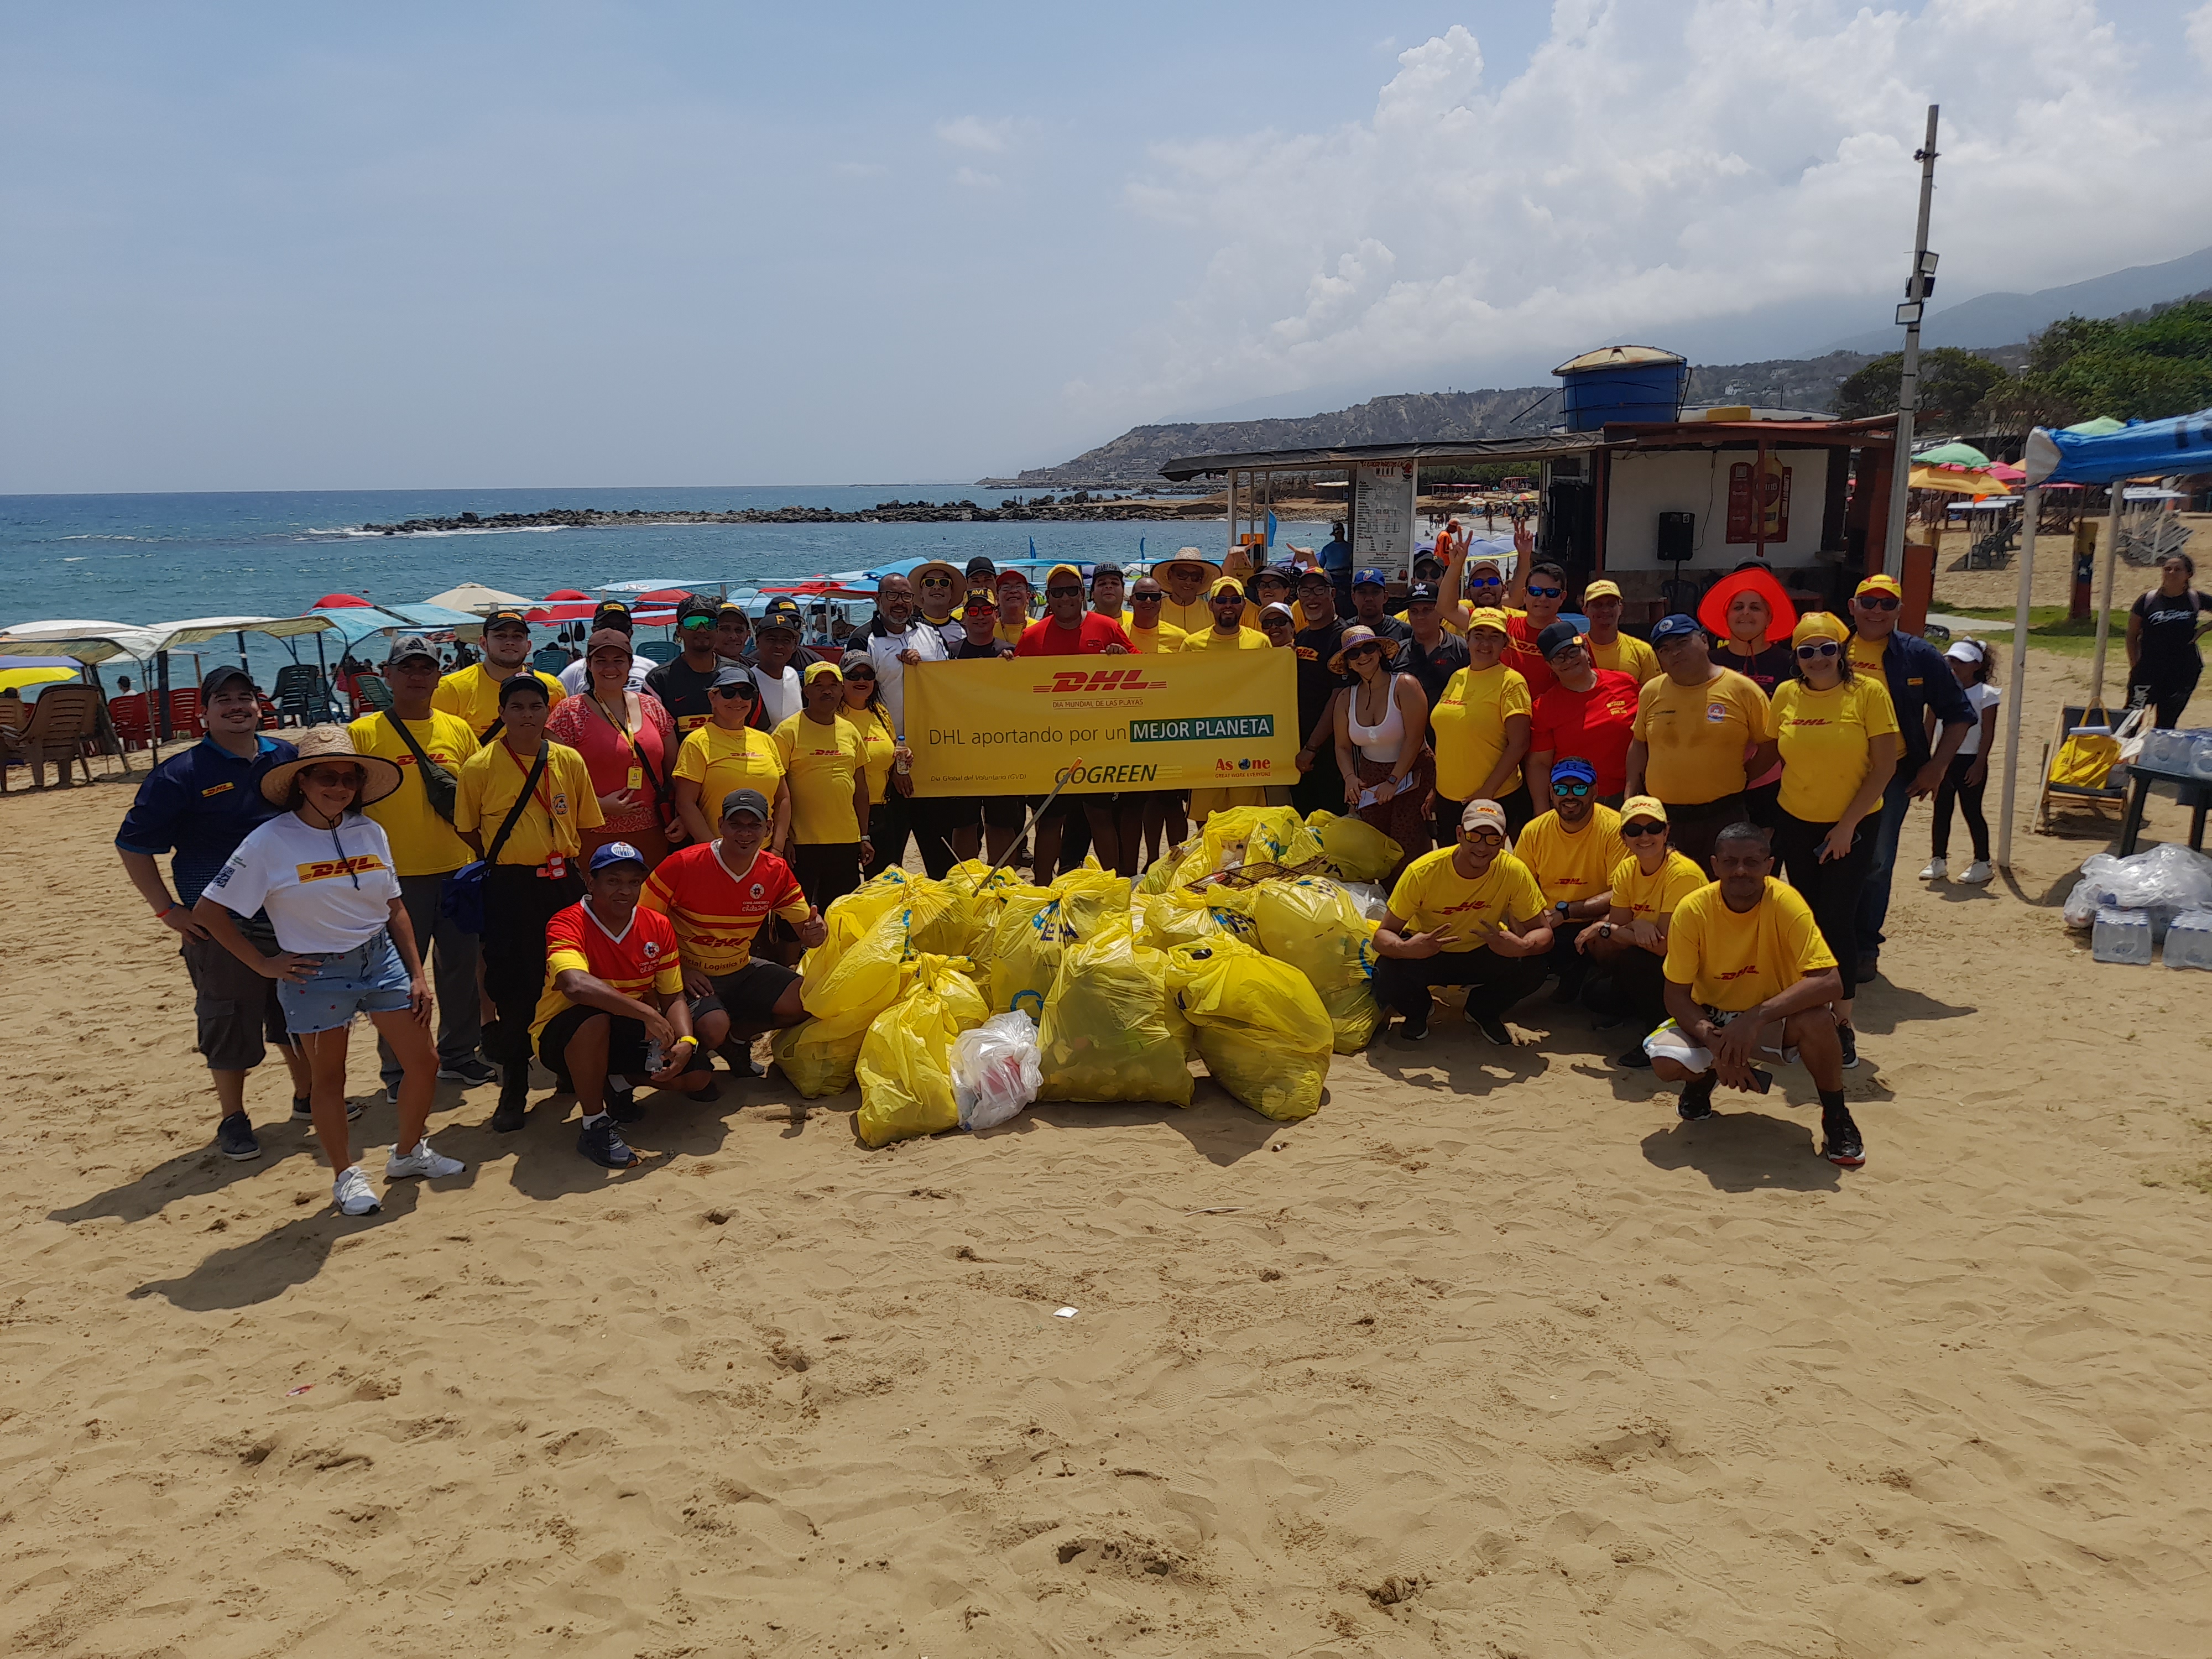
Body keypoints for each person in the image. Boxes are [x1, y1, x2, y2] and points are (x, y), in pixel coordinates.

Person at [193, 727, 461, 1214]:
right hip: (315, 972)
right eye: (326, 777)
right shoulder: (269, 840)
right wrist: (265, 964)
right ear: (302, 782)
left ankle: (407, 1153)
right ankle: (345, 1174)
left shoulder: (370, 830)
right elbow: (210, 911)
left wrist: (417, 973)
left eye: (348, 778)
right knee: (329, 1080)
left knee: (424, 1063)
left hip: (379, 959)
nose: (338, 788)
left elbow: (395, 906)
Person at [115, 665, 311, 1161]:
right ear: (203, 713)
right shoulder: (180, 774)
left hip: (290, 915)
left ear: (258, 706)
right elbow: (133, 846)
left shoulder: (285, 757)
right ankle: (233, 1118)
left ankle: (308, 1097)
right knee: (227, 1020)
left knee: (295, 1015)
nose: (236, 706)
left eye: (245, 697)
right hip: (221, 924)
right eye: (223, 699)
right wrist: (167, 911)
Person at [1642, 822, 1863, 1168]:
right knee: (1665, 1062)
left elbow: (1831, 981)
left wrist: (1755, 1017)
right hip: (1712, 1016)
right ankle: (1703, 1081)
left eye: (1752, 862)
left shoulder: (1786, 902)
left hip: (1770, 1018)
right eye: (1730, 862)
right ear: (1714, 865)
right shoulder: (1692, 909)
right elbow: (1676, 995)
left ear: (1770, 865)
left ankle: (1836, 1116)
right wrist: (1716, 1044)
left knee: (1820, 1020)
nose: (1741, 870)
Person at [453, 673, 602, 1131]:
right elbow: (466, 828)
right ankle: (513, 1085)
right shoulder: (478, 768)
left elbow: (586, 822)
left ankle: (566, 1071)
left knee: (570, 976)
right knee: (513, 985)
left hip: (562, 885)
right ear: (501, 713)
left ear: (546, 712)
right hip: (511, 887)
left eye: (535, 707)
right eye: (516, 707)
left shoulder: (569, 760)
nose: (526, 716)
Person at [348, 633, 493, 1097]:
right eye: (406, 667)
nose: (416, 675)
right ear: (387, 675)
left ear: (438, 675)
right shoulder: (363, 734)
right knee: (396, 979)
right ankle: (399, 1069)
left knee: (460, 971)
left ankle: (457, 1055)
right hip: (393, 877)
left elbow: (478, 795)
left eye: (426, 668)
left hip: (457, 869)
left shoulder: (457, 729)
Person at [532, 842, 717, 1169]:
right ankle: (594, 1124)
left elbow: (673, 995)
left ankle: (615, 1083)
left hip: (625, 1026)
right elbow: (574, 985)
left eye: (634, 882)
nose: (625, 890)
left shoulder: (656, 925)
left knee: (697, 1075)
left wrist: (686, 1041)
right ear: (591, 883)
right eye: (614, 881)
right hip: (564, 1033)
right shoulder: (566, 921)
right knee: (594, 1020)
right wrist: (646, 1012)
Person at [1766, 611, 1898, 1069]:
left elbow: (1884, 768)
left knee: (1837, 920)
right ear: (1796, 657)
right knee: (1801, 920)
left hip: (1853, 825)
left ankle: (1842, 1023)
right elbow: (1768, 756)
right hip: (1796, 821)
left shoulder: (1868, 693)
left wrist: (1846, 827)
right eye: (1807, 651)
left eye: (1827, 648)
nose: (1818, 658)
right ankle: (1805, 1010)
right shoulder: (1784, 695)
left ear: (1842, 651)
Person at [643, 788, 826, 1076]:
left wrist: (816, 932)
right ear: (720, 825)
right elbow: (641, 925)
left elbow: (806, 927)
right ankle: (699, 1056)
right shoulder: (683, 864)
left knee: (811, 999)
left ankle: (737, 1038)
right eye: (736, 824)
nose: (745, 833)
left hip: (741, 966)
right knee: (712, 1028)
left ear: (768, 828)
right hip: (691, 974)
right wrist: (680, 968)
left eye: (754, 825)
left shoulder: (775, 870)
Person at [1844, 573, 1973, 981]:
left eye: (1887, 604)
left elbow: (1959, 713)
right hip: (1826, 773)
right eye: (1869, 602)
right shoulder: (1830, 646)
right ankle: (1826, 945)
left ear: (1899, 611)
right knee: (1823, 860)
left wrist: (1937, 765)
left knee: (1877, 862)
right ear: (1853, 606)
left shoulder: (1919, 655)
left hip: (1891, 776)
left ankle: (1865, 946)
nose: (1877, 611)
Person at [1372, 799, 1554, 1045]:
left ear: (1502, 842)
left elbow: (1544, 932)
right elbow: (1382, 936)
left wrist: (1522, 946)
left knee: (1535, 966)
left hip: (1483, 950)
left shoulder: (1513, 871)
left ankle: (1483, 1010)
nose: (1482, 846)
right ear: (1459, 834)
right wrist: (1407, 948)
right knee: (1385, 970)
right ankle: (1418, 1012)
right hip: (1429, 951)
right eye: (1474, 836)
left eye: (1492, 839)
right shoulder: (1423, 871)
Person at [1624, 614, 1775, 872]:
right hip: (1665, 818)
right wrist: (1631, 794)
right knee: (1669, 892)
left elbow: (1770, 745)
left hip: (1722, 815)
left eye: (1682, 642)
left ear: (1704, 641)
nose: (1675, 653)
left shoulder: (1743, 689)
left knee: (1723, 889)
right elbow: (1639, 743)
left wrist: (1744, 775)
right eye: (1665, 649)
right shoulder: (1651, 691)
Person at [1575, 797, 1704, 1065]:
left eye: (1653, 828)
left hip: (1696, 967)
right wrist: (1633, 926)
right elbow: (1621, 929)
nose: (1644, 836)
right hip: (1650, 953)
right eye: (1634, 831)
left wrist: (1607, 927)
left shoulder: (1682, 874)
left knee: (1635, 960)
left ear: (1666, 831)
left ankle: (1658, 1037)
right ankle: (1640, 1011)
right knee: (1593, 993)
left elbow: (1664, 946)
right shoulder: (1627, 869)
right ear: (1623, 837)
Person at [546, 627, 679, 869]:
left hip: (653, 830)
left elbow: (675, 768)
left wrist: (681, 815)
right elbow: (553, 779)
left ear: (630, 664)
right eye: (601, 661)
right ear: (588, 664)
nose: (610, 668)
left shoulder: (652, 707)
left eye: (618, 660)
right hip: (592, 832)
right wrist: (597, 804)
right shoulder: (568, 712)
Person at [1513, 755, 1626, 1004]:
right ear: (1552, 793)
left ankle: (1604, 978)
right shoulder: (1534, 831)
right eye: (1562, 788)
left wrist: (1567, 911)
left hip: (1593, 919)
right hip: (1549, 920)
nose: (1570, 796)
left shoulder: (1616, 828)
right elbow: (1518, 888)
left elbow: (1622, 893)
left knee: (1610, 928)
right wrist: (1533, 925)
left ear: (1595, 792)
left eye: (1580, 787)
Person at [1329, 623, 1431, 878]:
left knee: (1408, 847)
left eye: (1369, 648)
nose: (1363, 657)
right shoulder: (1345, 698)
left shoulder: (1405, 685)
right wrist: (1349, 778)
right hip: (1371, 776)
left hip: (1412, 772)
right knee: (1375, 848)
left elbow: (1415, 739)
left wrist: (1394, 781)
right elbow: (1342, 746)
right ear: (1348, 664)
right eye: (1354, 654)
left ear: (1380, 652)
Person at [1699, 564, 1797, 826]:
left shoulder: (1791, 664)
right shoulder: (1707, 662)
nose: (1746, 613)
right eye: (1738, 607)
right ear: (1726, 616)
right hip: (1714, 779)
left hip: (1775, 781)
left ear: (1769, 617)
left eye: (1755, 607)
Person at [1426, 608, 1532, 843]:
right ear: (1467, 639)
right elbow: (1448, 739)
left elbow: (1520, 743)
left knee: (1485, 868)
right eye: (1479, 635)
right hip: (1448, 798)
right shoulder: (1457, 677)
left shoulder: (1512, 682)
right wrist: (1436, 788)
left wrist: (1486, 793)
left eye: (1494, 637)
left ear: (1505, 643)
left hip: (1493, 798)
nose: (1485, 643)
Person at [774, 660, 870, 909]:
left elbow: (860, 789)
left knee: (839, 912)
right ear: (806, 692)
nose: (827, 691)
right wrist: (783, 839)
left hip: (845, 840)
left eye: (833, 686)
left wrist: (864, 835)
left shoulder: (850, 731)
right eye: (819, 686)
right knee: (796, 914)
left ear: (841, 691)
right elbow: (776, 791)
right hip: (801, 842)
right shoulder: (787, 732)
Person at [671, 667, 790, 849]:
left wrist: (777, 848)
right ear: (712, 697)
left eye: (745, 693)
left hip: (764, 851)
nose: (738, 699)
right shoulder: (697, 742)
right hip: (718, 851)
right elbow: (685, 803)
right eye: (728, 693)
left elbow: (783, 798)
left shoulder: (766, 740)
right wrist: (714, 852)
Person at [1526, 620, 1639, 805]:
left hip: (1630, 794)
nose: (1569, 661)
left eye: (1573, 651)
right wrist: (1542, 810)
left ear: (1585, 649)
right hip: (1576, 801)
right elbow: (1540, 764)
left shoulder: (1625, 683)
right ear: (1550, 665)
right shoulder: (1543, 707)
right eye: (1559, 657)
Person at [1922, 639, 2002, 885]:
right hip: (1943, 759)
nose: (1953, 665)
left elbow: (1987, 732)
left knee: (1972, 810)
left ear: (1976, 665)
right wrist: (1928, 760)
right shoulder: (1940, 692)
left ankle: (1982, 861)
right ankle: (1938, 859)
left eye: (1960, 662)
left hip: (1970, 761)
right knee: (1941, 809)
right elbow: (1928, 726)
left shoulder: (1986, 695)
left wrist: (1979, 763)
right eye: (1951, 660)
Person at [432, 606, 564, 742]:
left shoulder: (551, 688)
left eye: (517, 636)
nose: (509, 642)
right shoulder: (450, 688)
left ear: (528, 646)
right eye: (500, 636)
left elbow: (559, 744)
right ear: (484, 643)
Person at [1291, 567, 1354, 815]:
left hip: (1329, 752)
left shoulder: (1343, 637)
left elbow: (1339, 697)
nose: (1312, 598)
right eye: (1305, 591)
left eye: (1319, 590)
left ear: (1333, 594)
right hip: (1300, 750)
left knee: (1331, 826)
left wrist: (1312, 747)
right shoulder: (1302, 637)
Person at [2125, 551, 2209, 728]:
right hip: (2149, 668)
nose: (2171, 573)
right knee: (2131, 720)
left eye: (2178, 569)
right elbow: (2132, 635)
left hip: (2183, 671)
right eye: (2167, 569)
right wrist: (2136, 665)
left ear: (2188, 574)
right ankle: (2122, 755)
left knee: (2166, 723)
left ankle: (2154, 756)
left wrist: (2203, 629)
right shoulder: (2148, 600)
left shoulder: (2195, 599)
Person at [839, 658, 906, 878]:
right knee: (846, 883)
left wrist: (901, 758)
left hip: (881, 809)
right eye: (853, 675)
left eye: (868, 676)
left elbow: (892, 748)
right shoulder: (832, 715)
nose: (861, 680)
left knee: (884, 882)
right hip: (844, 810)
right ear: (842, 680)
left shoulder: (880, 712)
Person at [644, 595, 726, 734]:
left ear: (717, 629)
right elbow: (653, 736)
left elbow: (755, 731)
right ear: (679, 630)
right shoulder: (658, 681)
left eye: (709, 623)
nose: (702, 629)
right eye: (692, 623)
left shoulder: (740, 674)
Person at [557, 600, 653, 696]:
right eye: (606, 626)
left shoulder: (650, 670)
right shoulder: (571, 675)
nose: (613, 632)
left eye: (621, 627)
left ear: (631, 633)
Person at [1400, 581, 1470, 709]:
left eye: (1427, 610)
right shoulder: (1397, 653)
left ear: (1440, 613)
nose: (1420, 617)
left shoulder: (1462, 649)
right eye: (1414, 611)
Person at [1580, 580, 1659, 686]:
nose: (1605, 610)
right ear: (1585, 610)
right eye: (1598, 605)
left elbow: (1653, 694)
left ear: (1620, 608)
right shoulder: (1576, 652)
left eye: (1611, 605)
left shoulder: (1642, 652)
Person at [747, 598, 811, 727]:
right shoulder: (749, 680)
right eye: (771, 639)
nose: (779, 646)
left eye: (786, 641)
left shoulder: (792, 675)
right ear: (757, 642)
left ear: (794, 645)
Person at [1156, 550, 1222, 636]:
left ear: (1201, 580)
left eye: (1195, 576)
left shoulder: (1213, 612)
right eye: (1182, 575)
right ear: (1170, 576)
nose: (1188, 581)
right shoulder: (1155, 610)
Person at [909, 560, 967, 652]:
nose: (937, 587)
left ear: (952, 592)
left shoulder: (964, 632)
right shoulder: (908, 628)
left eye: (944, 583)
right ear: (921, 592)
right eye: (930, 582)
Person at [1348, 569, 1414, 649]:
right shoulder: (1345, 631)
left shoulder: (1404, 631)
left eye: (1375, 592)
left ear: (1385, 597)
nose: (1369, 598)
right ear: (1354, 598)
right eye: (1362, 592)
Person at [1124, 575, 1187, 653]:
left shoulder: (1181, 638)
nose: (1148, 601)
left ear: (1161, 601)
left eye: (1155, 596)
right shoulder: (1119, 635)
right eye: (1142, 596)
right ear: (1131, 600)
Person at [1318, 521, 1354, 614]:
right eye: (1338, 532)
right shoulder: (1327, 549)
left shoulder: (1350, 548)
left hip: (1345, 579)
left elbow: (1320, 566)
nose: (1339, 534)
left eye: (1340, 532)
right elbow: (1320, 566)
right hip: (1334, 579)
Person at [994, 570, 1035, 650]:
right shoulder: (988, 633)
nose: (1013, 591)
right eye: (1006, 588)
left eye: (1019, 587)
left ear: (1028, 596)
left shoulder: (1040, 629)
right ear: (997, 599)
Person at [712, 600, 754, 668]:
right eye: (725, 629)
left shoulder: (756, 669)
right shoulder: (698, 671)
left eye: (739, 630)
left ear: (747, 635)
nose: (733, 636)